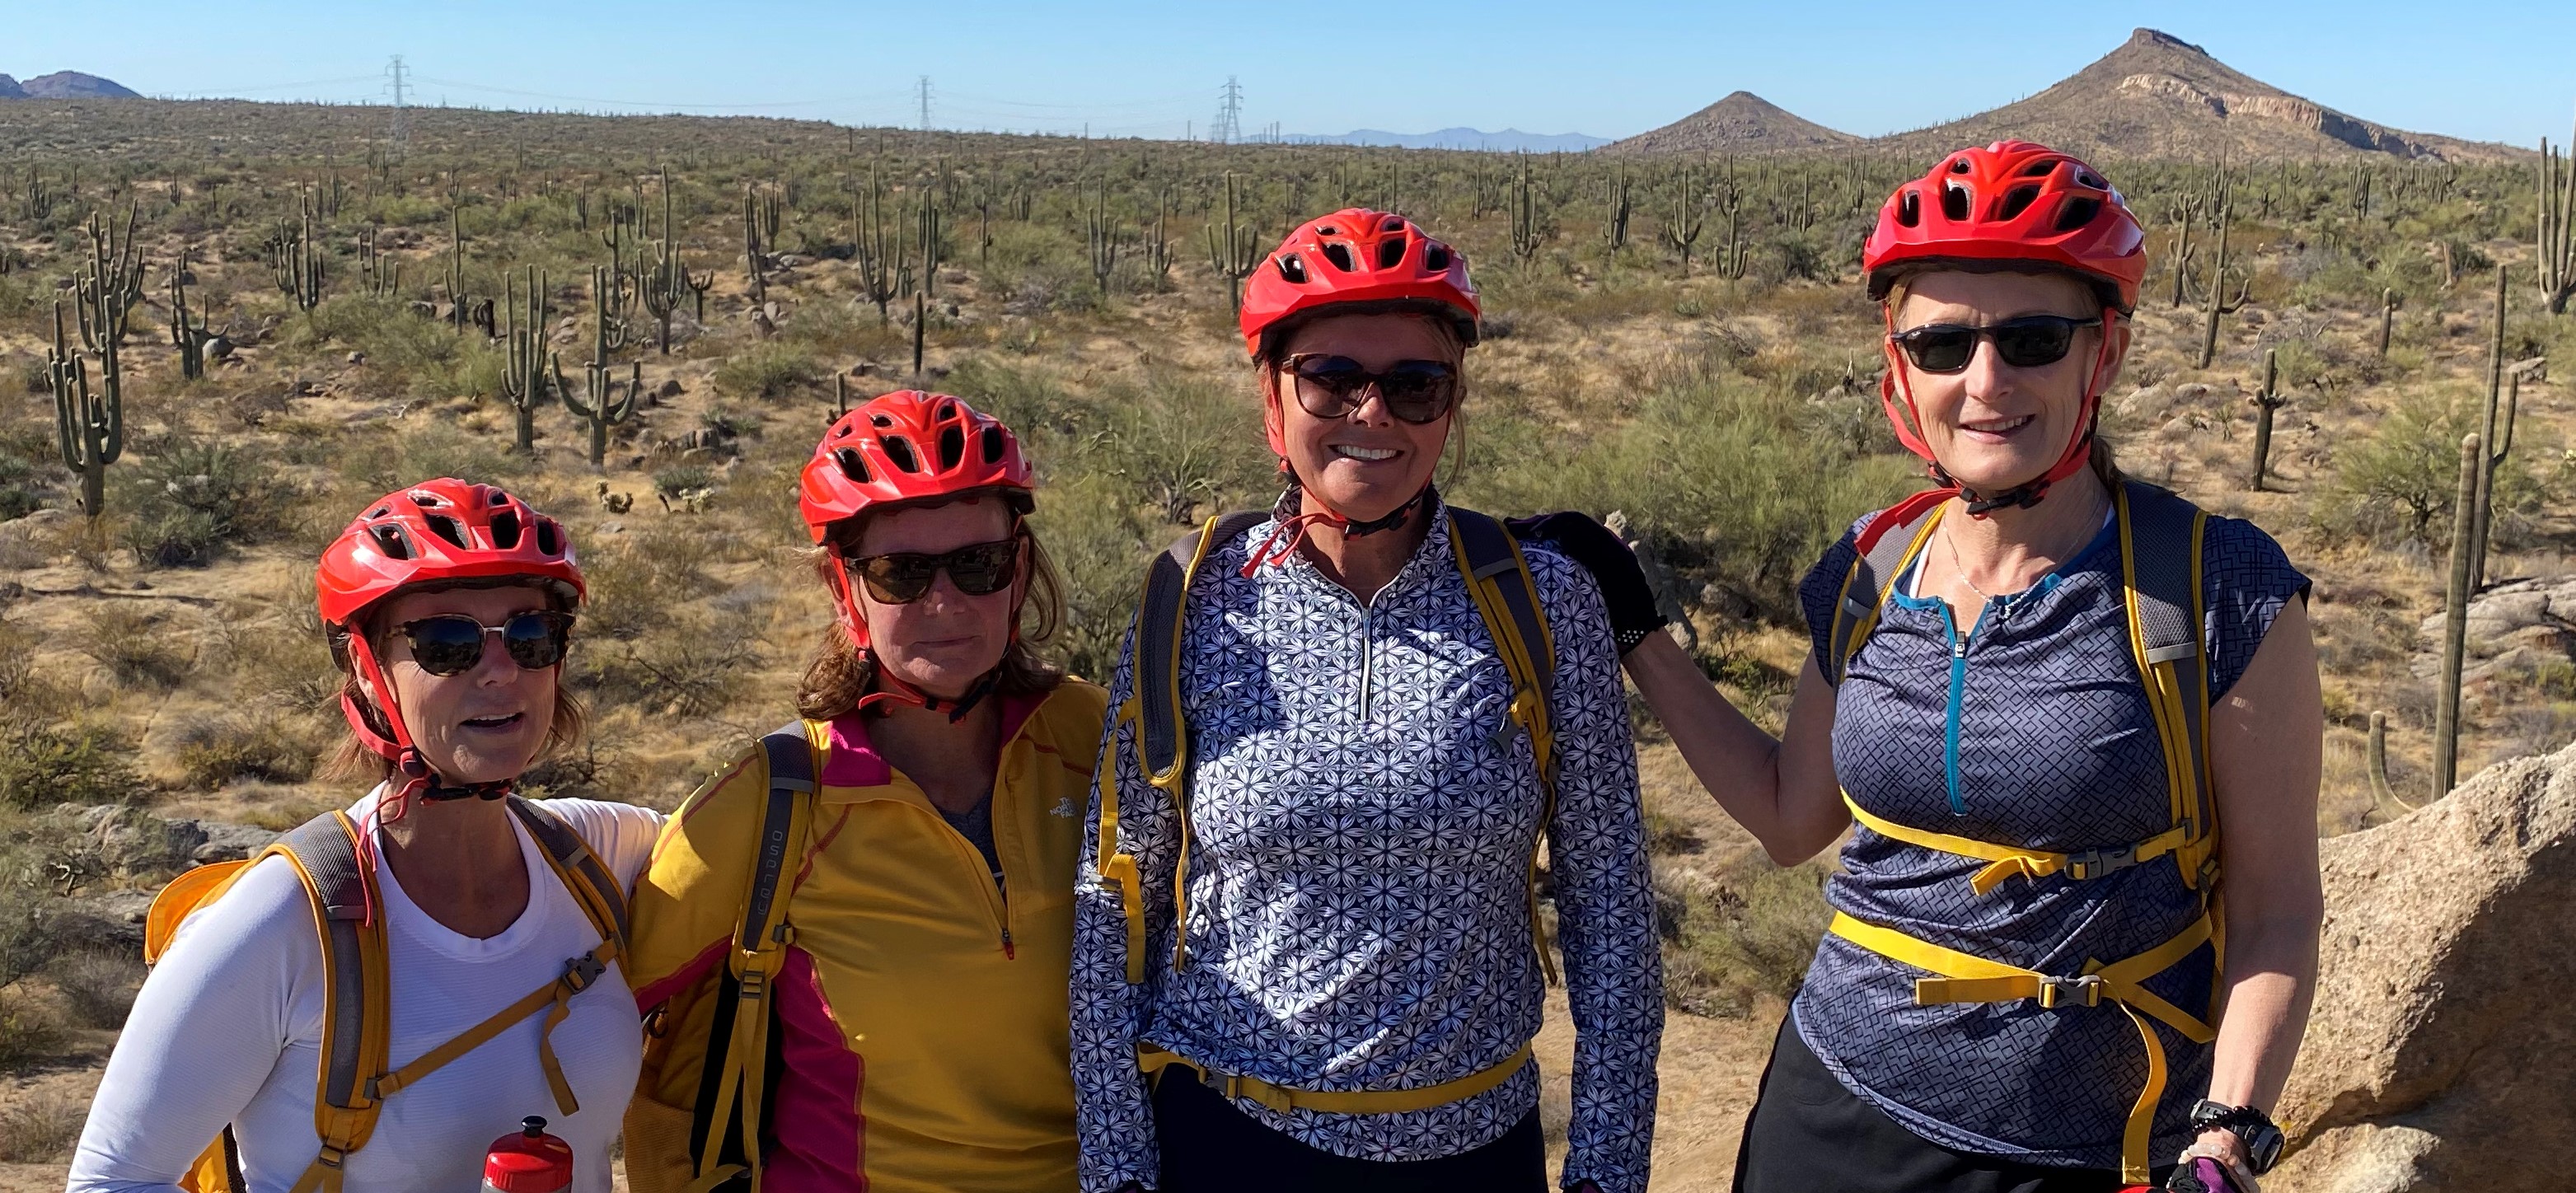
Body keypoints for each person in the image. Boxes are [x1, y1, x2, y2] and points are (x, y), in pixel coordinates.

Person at [1516, 142, 2322, 1193]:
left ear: (2105, 355)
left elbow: (2277, 911)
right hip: (1832, 1103)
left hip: (2089, 1146)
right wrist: (1639, 629)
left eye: (2032, 338)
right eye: (1942, 344)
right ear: (1899, 364)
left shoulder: (2217, 586)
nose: (1985, 381)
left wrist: (2229, 1136)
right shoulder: (1870, 566)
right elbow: (1789, 815)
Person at [1070, 209, 1662, 1193]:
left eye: (1413, 384)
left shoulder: (1544, 598)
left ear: (1453, 402)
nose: (1373, 413)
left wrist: (1606, 1167)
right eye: (1332, 378)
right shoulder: (1194, 598)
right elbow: (1114, 891)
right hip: (1230, 1137)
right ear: (1273, 399)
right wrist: (1120, 1169)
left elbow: (1608, 899)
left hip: (1475, 1147)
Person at [72, 480, 663, 1193]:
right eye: (447, 643)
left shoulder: (597, 854)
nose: (502, 672)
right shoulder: (282, 922)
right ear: (365, 665)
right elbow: (114, 1179)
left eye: (532, 637)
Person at [621, 391, 1108, 1193]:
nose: (944, 602)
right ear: (843, 587)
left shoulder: (1089, 740)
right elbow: (582, 1006)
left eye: (977, 565)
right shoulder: (773, 802)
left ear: (1017, 569)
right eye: (900, 573)